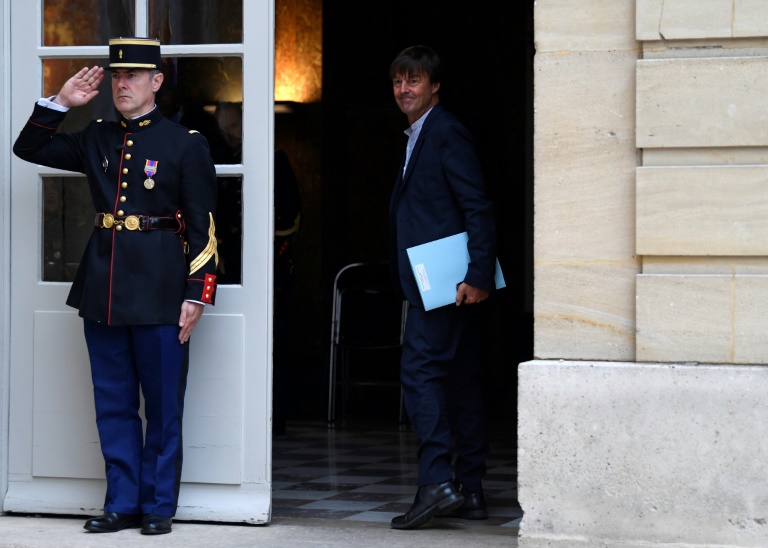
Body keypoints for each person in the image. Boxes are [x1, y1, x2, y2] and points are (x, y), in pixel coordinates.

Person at [13, 37, 218, 536]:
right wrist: (61, 102)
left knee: (163, 407)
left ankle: (158, 506)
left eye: (133, 76)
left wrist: (197, 293)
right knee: (113, 404)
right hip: (103, 287)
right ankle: (121, 502)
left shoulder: (184, 143)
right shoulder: (97, 136)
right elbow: (28, 147)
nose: (122, 84)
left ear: (156, 81)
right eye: (117, 76)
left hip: (162, 291)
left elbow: (204, 226)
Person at [387, 45, 497, 530]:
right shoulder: (420, 134)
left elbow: (478, 204)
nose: (404, 89)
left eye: (413, 80)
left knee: (420, 373)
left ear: (435, 86)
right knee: (461, 380)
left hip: (447, 283)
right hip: (445, 282)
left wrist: (477, 274)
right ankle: (470, 489)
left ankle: (436, 482)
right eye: (398, 81)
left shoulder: (446, 131)